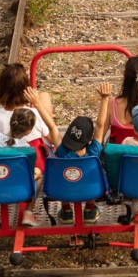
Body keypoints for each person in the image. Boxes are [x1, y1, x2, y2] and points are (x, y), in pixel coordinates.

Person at [53, 85, 113, 222]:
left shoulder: (62, 151)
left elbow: (51, 126)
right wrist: (105, 99)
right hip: (91, 190)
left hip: (65, 191)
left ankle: (66, 210)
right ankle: (90, 209)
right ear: (89, 139)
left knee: (64, 175)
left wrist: (38, 104)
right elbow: (100, 125)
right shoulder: (93, 152)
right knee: (94, 176)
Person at [0, 63, 60, 149]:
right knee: (44, 95)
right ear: (27, 90)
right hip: (29, 159)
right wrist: (37, 103)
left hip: (2, 159)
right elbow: (53, 140)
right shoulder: (35, 115)